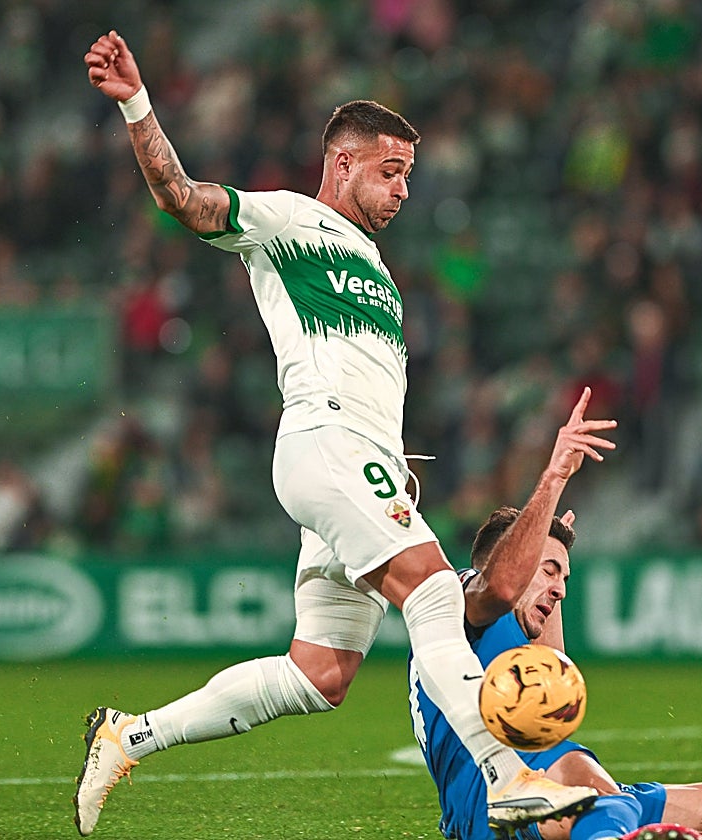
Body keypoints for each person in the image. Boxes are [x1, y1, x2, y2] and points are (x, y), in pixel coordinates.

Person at [75, 30, 602, 837]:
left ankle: (129, 735)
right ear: (344, 162)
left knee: (321, 674)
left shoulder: (379, 270)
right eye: (391, 172)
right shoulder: (288, 220)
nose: (402, 190)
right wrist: (137, 104)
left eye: (408, 175)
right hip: (328, 442)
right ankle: (507, 777)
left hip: (356, 459)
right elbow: (181, 196)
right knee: (435, 591)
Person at [408, 395, 702, 840]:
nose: (561, 589)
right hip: (496, 800)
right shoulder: (457, 600)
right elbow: (503, 585)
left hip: (555, 778)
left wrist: (552, 544)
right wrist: (555, 478)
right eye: (549, 571)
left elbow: (556, 688)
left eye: (564, 577)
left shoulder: (514, 637)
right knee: (608, 801)